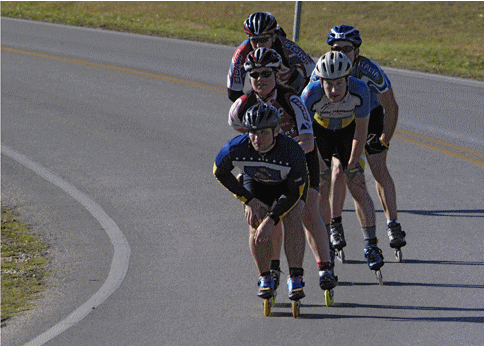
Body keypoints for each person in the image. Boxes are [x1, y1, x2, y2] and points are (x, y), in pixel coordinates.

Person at [229, 47, 337, 292]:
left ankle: (325, 266)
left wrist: (282, 155)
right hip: (263, 164)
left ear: (276, 74)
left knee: (305, 212)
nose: (260, 79)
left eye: (266, 73)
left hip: (298, 158)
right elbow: (241, 140)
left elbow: (308, 142)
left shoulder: (292, 100)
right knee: (260, 215)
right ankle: (271, 270)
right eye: (254, 74)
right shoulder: (241, 106)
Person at [310, 24, 406, 255]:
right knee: (337, 170)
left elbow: (391, 106)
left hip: (369, 113)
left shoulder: (368, 69)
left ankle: (393, 224)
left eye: (346, 48)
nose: (340, 53)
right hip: (339, 118)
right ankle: (335, 225)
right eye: (335, 48)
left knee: (378, 166)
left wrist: (384, 140)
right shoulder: (323, 69)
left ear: (357, 51)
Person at [214, 103, 308, 301]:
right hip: (256, 183)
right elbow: (219, 172)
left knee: (293, 215)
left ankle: (295, 276)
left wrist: (272, 219)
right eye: (253, 133)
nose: (258, 139)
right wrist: (249, 200)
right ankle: (265, 276)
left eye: (264, 132)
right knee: (255, 219)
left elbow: (294, 193)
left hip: (288, 187)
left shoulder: (292, 151)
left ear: (276, 130)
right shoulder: (235, 148)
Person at [301, 51, 384, 271]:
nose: (335, 90)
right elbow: (305, 134)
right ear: (321, 82)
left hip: (349, 131)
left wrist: (353, 162)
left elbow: (362, 130)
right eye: (329, 85)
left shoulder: (361, 90)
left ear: (348, 79)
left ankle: (371, 245)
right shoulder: (310, 93)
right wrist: (321, 165)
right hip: (319, 133)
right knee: (322, 184)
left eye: (339, 83)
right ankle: (326, 240)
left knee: (357, 183)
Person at [226, 11, 315, 102]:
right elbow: (233, 92)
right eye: (254, 40)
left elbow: (313, 74)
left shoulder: (288, 47)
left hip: (292, 90)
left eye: (264, 39)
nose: (259, 45)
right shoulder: (241, 52)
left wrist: (303, 100)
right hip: (262, 94)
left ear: (274, 37)